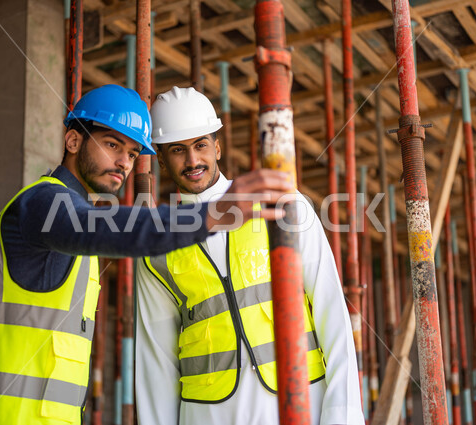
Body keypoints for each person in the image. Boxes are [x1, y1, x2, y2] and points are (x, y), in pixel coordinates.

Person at [0, 84, 292, 425]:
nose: (123, 162)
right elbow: (106, 226)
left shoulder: (69, 214)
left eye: (133, 154)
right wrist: (208, 215)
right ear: (73, 141)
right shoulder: (41, 205)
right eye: (112, 144)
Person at [135, 86, 364, 425]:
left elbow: (332, 313)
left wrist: (342, 416)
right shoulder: (157, 247)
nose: (193, 160)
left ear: (217, 147)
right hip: (206, 414)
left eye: (200, 145)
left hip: (298, 401)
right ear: (161, 157)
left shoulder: (281, 204)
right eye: (178, 150)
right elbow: (156, 359)